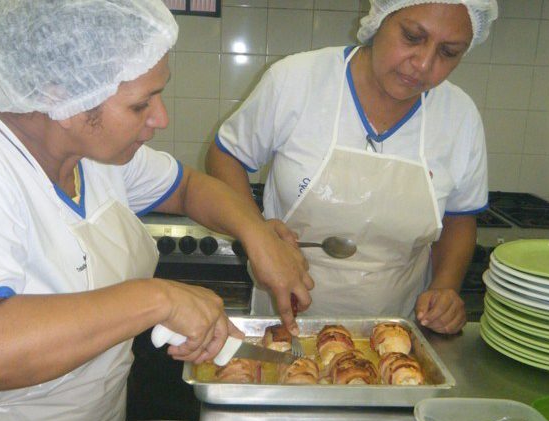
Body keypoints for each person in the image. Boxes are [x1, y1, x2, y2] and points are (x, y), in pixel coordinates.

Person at [0, 1, 313, 421]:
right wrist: (157, 299)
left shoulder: (91, 153)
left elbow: (188, 187)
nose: (160, 118)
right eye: (139, 104)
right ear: (61, 96)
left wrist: (258, 233)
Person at [206, 0, 498, 335]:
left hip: (396, 330)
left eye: (448, 52)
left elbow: (460, 217)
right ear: (381, 20)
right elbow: (226, 154)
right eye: (412, 36)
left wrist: (445, 287)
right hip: (285, 317)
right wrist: (256, 233)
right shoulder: (297, 80)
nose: (423, 63)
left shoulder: (459, 116)